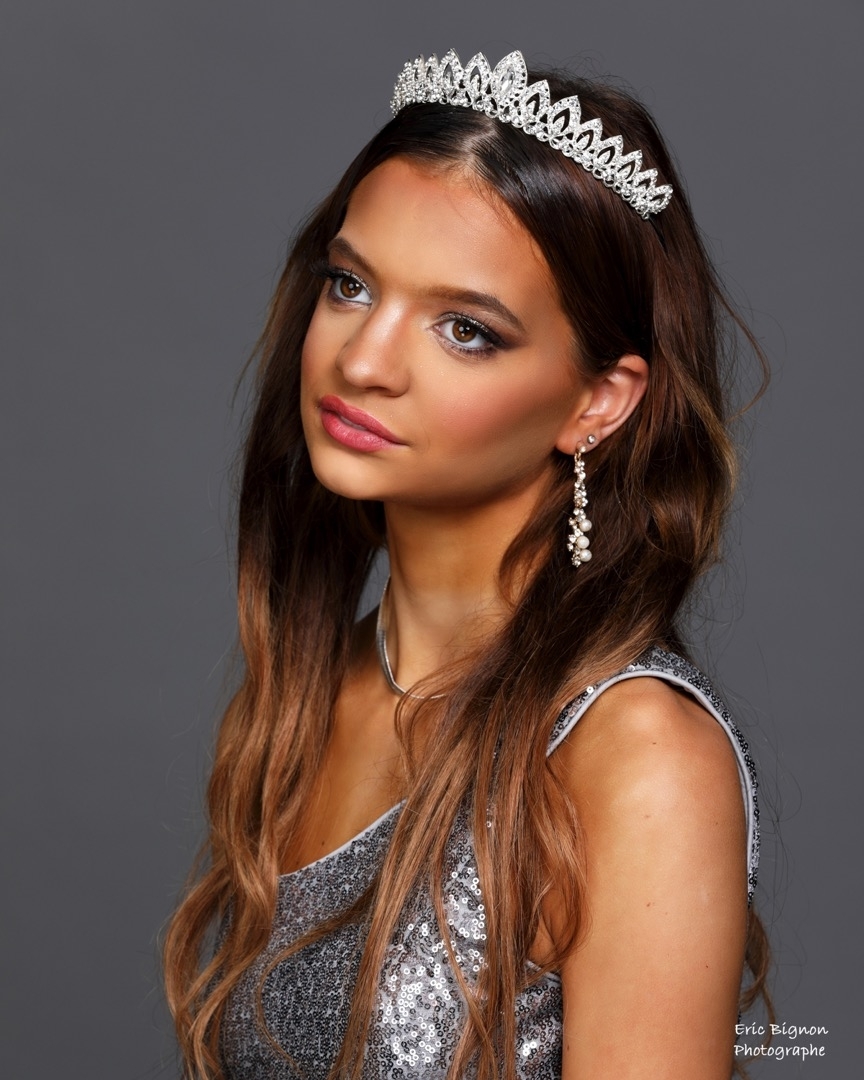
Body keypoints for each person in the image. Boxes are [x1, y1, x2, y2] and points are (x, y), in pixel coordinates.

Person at [163, 49, 771, 1079]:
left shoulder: (636, 761)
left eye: (464, 330)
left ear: (599, 402)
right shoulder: (310, 694)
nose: (363, 360)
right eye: (351, 285)